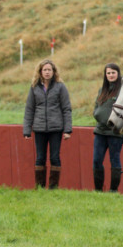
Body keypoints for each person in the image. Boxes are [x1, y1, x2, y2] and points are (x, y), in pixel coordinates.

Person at [23, 59, 72, 189]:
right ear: (40, 72)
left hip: (56, 128)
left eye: (49, 70)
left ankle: (53, 188)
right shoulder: (34, 87)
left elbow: (66, 108)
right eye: (44, 70)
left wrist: (67, 130)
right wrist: (27, 131)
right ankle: (39, 187)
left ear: (54, 72)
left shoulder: (60, 86)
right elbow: (29, 109)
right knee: (40, 158)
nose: (47, 72)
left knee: (55, 157)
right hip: (39, 128)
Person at [92, 63, 123, 192]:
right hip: (100, 131)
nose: (111, 75)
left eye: (113, 72)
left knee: (115, 160)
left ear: (118, 73)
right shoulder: (102, 90)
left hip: (115, 131)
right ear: (105, 75)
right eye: (108, 73)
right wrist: (97, 115)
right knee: (96, 160)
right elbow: (96, 108)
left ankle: (113, 190)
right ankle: (98, 190)